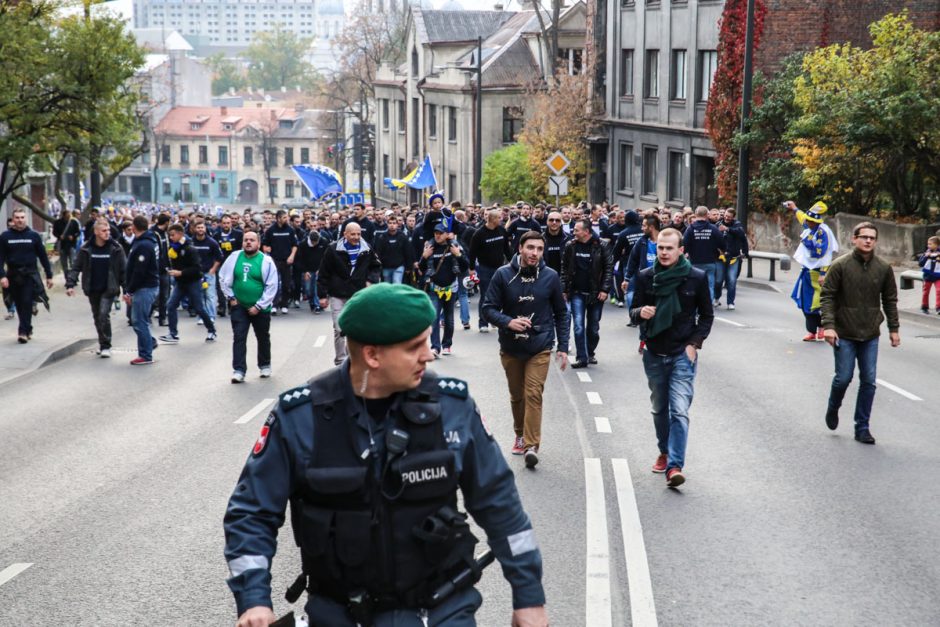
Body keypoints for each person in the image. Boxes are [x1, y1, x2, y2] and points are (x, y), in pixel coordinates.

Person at [223, 283, 548, 627]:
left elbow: (501, 505)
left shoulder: (452, 408)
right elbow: (252, 514)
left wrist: (529, 599)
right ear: (373, 355)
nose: (430, 354)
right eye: (414, 347)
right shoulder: (301, 417)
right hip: (340, 614)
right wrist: (253, 601)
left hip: (441, 612)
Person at [629, 228, 714, 488]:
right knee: (659, 408)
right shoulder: (646, 277)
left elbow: (706, 316)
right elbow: (632, 312)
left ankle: (674, 466)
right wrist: (639, 312)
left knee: (679, 410)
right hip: (654, 352)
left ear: (681, 250)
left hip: (682, 354)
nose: (664, 252)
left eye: (669, 248)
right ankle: (664, 451)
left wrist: (694, 344)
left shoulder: (696, 277)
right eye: (661, 248)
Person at [482, 231, 569, 469]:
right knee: (517, 395)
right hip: (510, 346)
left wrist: (563, 346)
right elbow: (487, 308)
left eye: (540, 249)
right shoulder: (503, 274)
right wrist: (508, 321)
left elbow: (562, 313)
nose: (535, 254)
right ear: (519, 248)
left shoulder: (550, 276)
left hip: (539, 345)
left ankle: (532, 445)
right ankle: (519, 433)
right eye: (531, 248)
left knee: (533, 393)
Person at [820, 222, 900, 445]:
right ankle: (833, 407)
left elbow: (890, 300)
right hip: (844, 332)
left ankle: (862, 427)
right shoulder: (840, 265)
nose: (868, 241)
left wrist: (894, 329)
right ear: (854, 239)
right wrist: (829, 326)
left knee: (869, 382)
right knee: (843, 378)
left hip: (870, 334)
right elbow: (827, 296)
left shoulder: (883, 268)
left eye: (872, 238)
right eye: (863, 237)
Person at [317, 222, 382, 365]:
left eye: (359, 234)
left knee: (356, 329)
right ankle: (340, 361)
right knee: (339, 328)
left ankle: (353, 359)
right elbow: (323, 273)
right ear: (345, 234)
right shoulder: (333, 249)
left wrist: (371, 280)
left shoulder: (366, 249)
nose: (356, 237)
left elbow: (376, 266)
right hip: (337, 295)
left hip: (358, 296)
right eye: (353, 234)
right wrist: (322, 295)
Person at [219, 230, 279, 383]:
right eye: (246, 240)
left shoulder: (266, 261)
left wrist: (259, 306)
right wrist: (230, 297)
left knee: (262, 337)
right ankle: (239, 370)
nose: (248, 242)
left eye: (252, 240)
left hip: (260, 308)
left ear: (258, 243)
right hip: (239, 306)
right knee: (239, 337)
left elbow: (272, 286)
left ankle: (264, 365)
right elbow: (222, 277)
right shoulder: (234, 257)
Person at [65, 219, 126, 358]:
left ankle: (106, 345)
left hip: (109, 288)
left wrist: (126, 290)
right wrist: (70, 284)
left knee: (103, 314)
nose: (107, 233)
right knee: (97, 317)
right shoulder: (86, 248)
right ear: (96, 232)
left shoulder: (116, 248)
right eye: (104, 231)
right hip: (92, 288)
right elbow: (76, 267)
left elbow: (124, 270)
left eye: (109, 231)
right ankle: (102, 341)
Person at [560, 219, 613, 368]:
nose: (573, 232)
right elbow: (564, 268)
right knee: (578, 326)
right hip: (576, 292)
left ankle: (590, 353)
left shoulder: (602, 245)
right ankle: (581, 357)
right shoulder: (571, 245)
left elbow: (608, 269)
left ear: (586, 232)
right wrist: (564, 289)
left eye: (576, 230)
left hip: (596, 293)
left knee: (593, 328)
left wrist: (604, 289)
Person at [786, 201, 838, 342]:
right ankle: (811, 331)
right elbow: (802, 217)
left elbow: (826, 255)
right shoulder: (810, 227)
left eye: (810, 221)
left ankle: (820, 329)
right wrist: (795, 208)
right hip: (807, 272)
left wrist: (823, 274)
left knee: (816, 305)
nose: (807, 222)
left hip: (817, 274)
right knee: (807, 304)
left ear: (815, 221)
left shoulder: (823, 233)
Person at [0, 208, 54, 343]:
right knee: (18, 303)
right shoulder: (5, 237)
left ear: (26, 219)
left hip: (30, 275)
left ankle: (22, 331)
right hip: (13, 275)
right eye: (17, 217)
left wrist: (49, 275)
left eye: (22, 217)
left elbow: (43, 256)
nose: (20, 220)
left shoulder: (33, 236)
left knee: (27, 301)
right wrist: (2, 276)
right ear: (13, 220)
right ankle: (28, 327)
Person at [159, 224, 218, 344]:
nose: (171, 238)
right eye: (169, 235)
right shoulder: (173, 248)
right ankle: (173, 334)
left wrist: (180, 273)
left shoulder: (190, 249)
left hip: (193, 282)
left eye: (173, 235)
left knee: (199, 308)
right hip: (180, 283)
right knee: (170, 305)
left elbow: (197, 269)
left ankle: (211, 330)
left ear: (180, 234)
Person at [420, 223, 469, 357]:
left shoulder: (454, 246)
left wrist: (458, 255)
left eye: (440, 233)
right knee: (434, 318)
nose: (437, 235)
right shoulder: (430, 247)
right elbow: (421, 268)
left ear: (447, 234)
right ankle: (435, 347)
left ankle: (447, 344)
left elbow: (465, 266)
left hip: (451, 289)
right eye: (436, 233)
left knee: (448, 319)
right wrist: (424, 257)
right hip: (434, 289)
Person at [124, 215, 161, 365]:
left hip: (145, 287)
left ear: (134, 227)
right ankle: (149, 342)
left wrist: (130, 291)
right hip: (146, 286)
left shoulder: (144, 245)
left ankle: (146, 354)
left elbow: (140, 270)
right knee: (140, 320)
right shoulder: (146, 241)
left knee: (139, 321)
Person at [469, 209, 511, 333]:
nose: (501, 220)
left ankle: (495, 320)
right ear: (492, 219)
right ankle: (483, 322)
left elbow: (506, 249)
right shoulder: (479, 234)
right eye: (499, 218)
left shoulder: (502, 230)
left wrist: (512, 261)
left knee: (500, 295)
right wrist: (471, 268)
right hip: (485, 268)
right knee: (485, 295)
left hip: (500, 268)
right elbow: (472, 252)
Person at [682, 207, 724, 305]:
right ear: (707, 215)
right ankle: (707, 308)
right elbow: (722, 243)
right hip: (710, 261)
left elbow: (684, 245)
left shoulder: (690, 229)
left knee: (695, 286)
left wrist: (686, 254)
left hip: (695, 262)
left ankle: (695, 309)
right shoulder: (713, 228)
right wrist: (719, 251)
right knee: (709, 286)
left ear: (696, 215)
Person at [261, 209, 298, 315]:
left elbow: (295, 245)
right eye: (284, 217)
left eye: (287, 217)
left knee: (286, 284)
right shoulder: (271, 230)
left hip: (286, 261)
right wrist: (267, 250)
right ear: (278, 219)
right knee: (274, 284)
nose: (286, 219)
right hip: (274, 261)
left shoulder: (290, 230)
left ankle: (284, 304)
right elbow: (264, 245)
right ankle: (274, 305)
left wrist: (292, 256)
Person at [191, 219, 224, 326]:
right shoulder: (191, 242)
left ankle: (211, 316)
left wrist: (213, 269)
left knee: (210, 296)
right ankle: (201, 317)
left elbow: (219, 257)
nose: (200, 229)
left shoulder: (212, 242)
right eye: (198, 227)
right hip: (195, 275)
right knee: (199, 296)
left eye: (202, 227)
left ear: (205, 229)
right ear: (195, 229)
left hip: (208, 274)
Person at [714, 208, 749, 310]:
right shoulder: (717, 225)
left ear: (733, 217)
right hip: (720, 257)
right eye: (725, 216)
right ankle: (716, 298)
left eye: (729, 217)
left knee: (732, 280)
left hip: (733, 258)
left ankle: (730, 302)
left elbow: (742, 235)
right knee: (718, 280)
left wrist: (745, 252)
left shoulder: (737, 225)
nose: (726, 218)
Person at [215, 215, 244, 318]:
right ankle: (222, 307)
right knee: (220, 286)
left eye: (228, 223)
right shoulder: (216, 235)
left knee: (234, 285)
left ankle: (232, 305)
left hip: (234, 263)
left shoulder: (238, 234)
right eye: (224, 223)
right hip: (221, 264)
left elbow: (242, 249)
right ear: (221, 224)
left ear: (231, 223)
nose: (226, 225)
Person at [295, 229, 328, 314]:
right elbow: (300, 259)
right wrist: (305, 271)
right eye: (313, 242)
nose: (314, 244)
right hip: (307, 270)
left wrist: (321, 269)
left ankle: (317, 305)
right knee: (308, 289)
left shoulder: (324, 242)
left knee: (316, 288)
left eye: (316, 242)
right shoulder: (303, 244)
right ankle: (311, 302)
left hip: (318, 270)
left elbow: (326, 257)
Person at [374, 215, 413, 284]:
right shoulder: (382, 237)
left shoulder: (402, 236)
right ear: (387, 224)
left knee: (396, 284)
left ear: (397, 225)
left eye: (394, 223)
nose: (392, 225)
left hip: (399, 266)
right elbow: (378, 253)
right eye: (390, 223)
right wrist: (378, 267)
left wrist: (408, 267)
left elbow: (408, 252)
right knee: (387, 286)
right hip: (386, 266)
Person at [918, 236, 940, 314]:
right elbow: (920, 263)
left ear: (936, 245)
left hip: (938, 275)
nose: (928, 246)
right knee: (926, 291)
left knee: (939, 290)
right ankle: (924, 306)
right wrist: (926, 257)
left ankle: (938, 307)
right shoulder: (926, 253)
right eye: (928, 244)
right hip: (928, 275)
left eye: (930, 244)